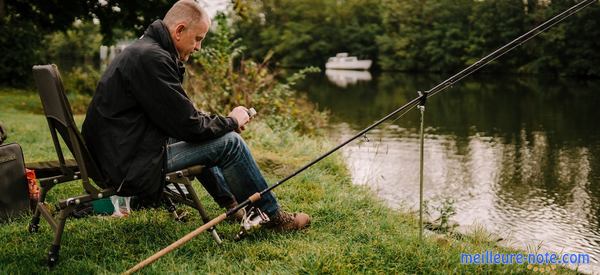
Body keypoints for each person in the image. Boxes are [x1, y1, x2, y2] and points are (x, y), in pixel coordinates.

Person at [81, 0, 309, 231]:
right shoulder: (152, 59)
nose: (199, 47)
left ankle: (232, 206)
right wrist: (231, 122)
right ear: (179, 31)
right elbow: (190, 126)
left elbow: (179, 118)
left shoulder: (144, 51)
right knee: (230, 144)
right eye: (198, 38)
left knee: (209, 137)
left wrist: (221, 123)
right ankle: (272, 216)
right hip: (127, 166)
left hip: (119, 153)